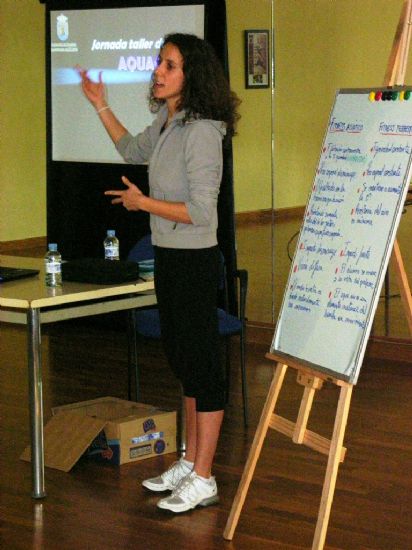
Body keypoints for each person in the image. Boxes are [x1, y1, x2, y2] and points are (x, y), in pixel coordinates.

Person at [78, 33, 240, 514]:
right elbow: (132, 151)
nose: (158, 72)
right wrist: (100, 104)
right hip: (169, 256)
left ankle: (205, 477)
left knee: (203, 366)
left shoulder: (204, 132)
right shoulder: (169, 121)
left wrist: (143, 202)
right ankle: (190, 461)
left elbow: (202, 213)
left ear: (191, 76)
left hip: (193, 258)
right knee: (184, 360)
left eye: (169, 65)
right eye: (158, 63)